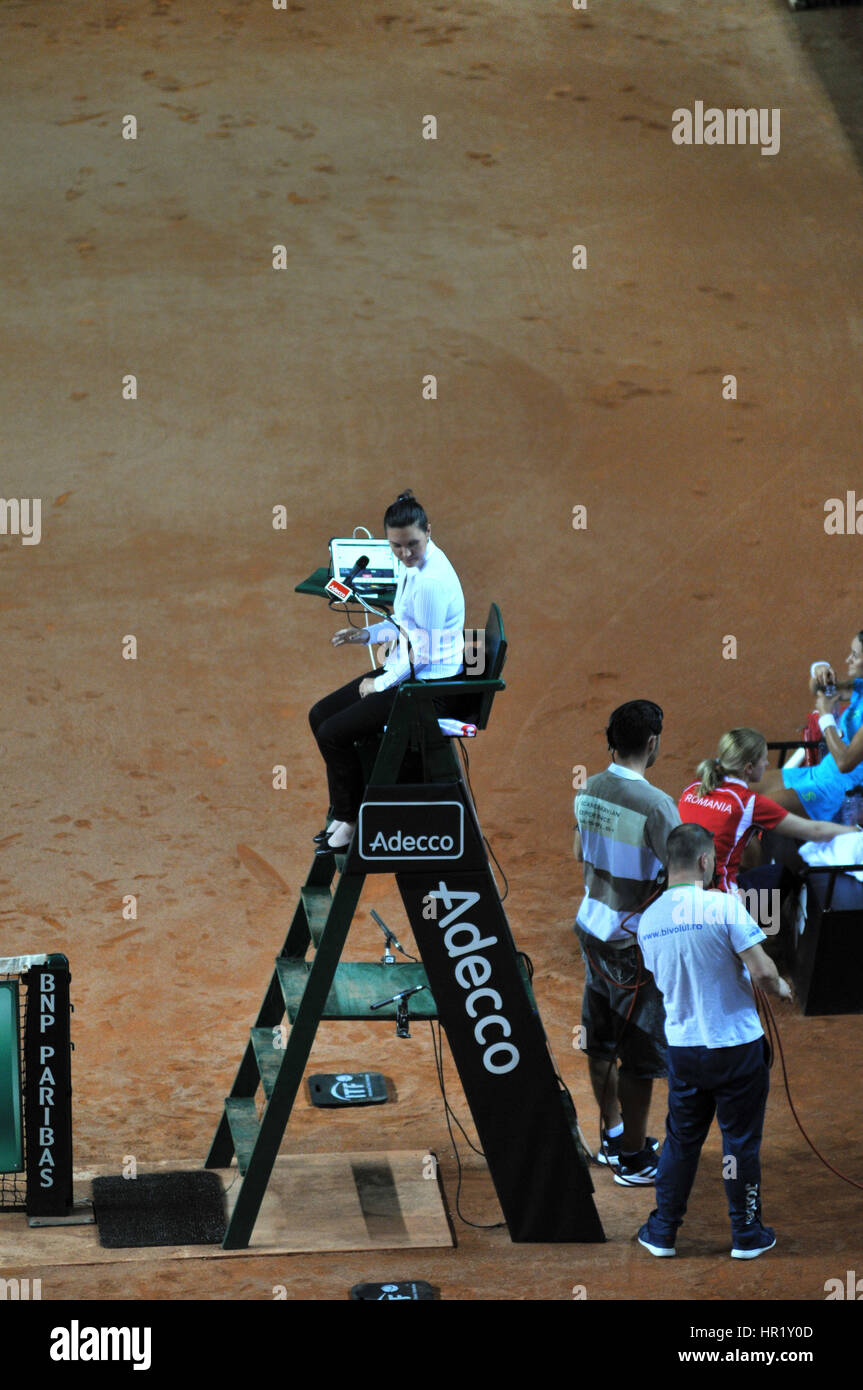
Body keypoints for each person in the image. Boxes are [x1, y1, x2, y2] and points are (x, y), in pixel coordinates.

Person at [636, 822, 792, 1260]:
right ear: (705, 861)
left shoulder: (649, 920)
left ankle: (663, 1231)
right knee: (739, 1143)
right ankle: (746, 1234)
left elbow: (660, 977)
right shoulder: (724, 907)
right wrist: (781, 989)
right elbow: (762, 971)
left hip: (685, 1052)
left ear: (671, 863)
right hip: (737, 1050)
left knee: (682, 1141)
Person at [309, 490, 465, 854]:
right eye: (396, 546)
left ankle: (350, 818)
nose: (405, 554)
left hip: (427, 689)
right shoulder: (412, 566)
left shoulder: (430, 581)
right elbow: (403, 624)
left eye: (412, 544)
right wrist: (367, 634)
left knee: (333, 733)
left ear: (429, 530)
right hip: (407, 670)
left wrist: (379, 684)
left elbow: (422, 654)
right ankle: (349, 807)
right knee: (319, 715)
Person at [573, 699, 681, 1185]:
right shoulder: (657, 805)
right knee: (639, 1056)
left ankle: (615, 1135)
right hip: (634, 948)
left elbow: (580, 852)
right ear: (652, 743)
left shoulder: (588, 789)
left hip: (592, 932)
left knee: (600, 1041)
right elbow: (684, 878)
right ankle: (635, 1159)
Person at [679, 727, 856, 893]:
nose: (767, 763)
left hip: (680, 889)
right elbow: (815, 831)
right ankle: (764, 923)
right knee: (782, 875)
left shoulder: (693, 788)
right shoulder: (749, 803)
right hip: (718, 901)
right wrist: (854, 831)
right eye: (763, 759)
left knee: (749, 843)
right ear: (748, 768)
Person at [748, 631, 863, 822]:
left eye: (855, 656)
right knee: (741, 789)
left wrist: (826, 717)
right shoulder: (860, 687)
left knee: (754, 810)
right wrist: (820, 669)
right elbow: (818, 689)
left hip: (835, 795)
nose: (848, 659)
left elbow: (844, 762)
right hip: (817, 775)